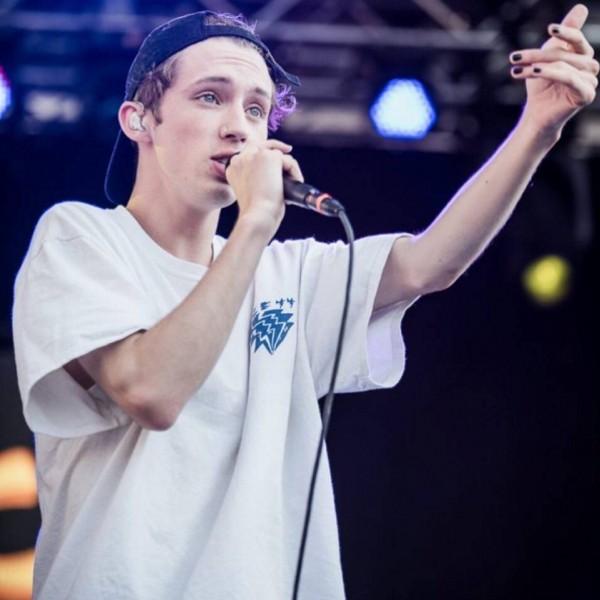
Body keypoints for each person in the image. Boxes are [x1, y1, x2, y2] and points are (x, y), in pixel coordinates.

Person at [12, 5, 597, 600]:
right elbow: (151, 392)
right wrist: (255, 224)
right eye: (210, 97)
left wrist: (537, 129)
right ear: (139, 119)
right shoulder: (81, 239)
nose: (239, 127)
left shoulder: (285, 272)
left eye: (256, 109)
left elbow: (430, 264)